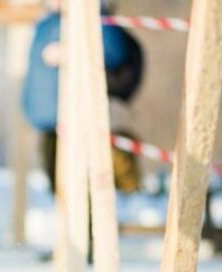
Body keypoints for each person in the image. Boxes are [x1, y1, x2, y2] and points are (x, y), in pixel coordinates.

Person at [22, 0, 142, 194]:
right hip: (68, 118)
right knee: (75, 186)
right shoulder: (61, 23)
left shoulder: (49, 24)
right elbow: (115, 53)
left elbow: (114, 53)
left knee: (73, 185)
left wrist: (70, 53)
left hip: (66, 119)